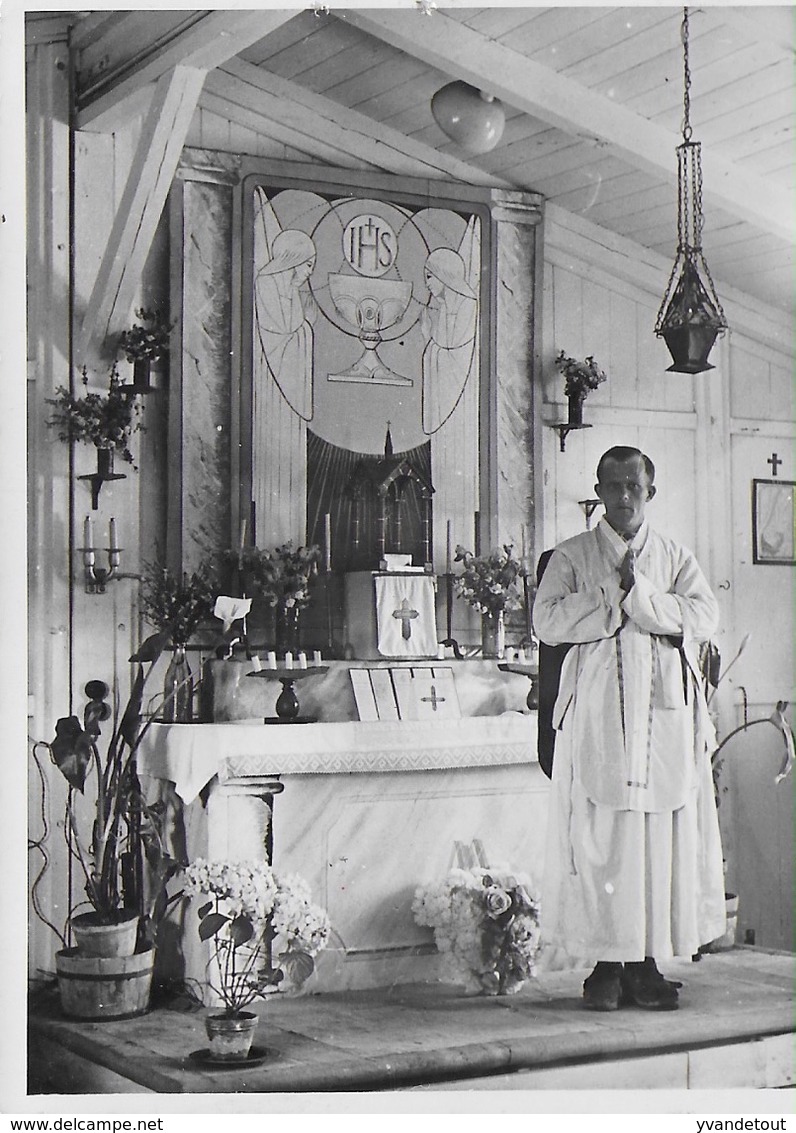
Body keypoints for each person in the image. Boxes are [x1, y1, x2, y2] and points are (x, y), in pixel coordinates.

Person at [533, 445, 726, 1011]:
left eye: (633, 487)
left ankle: (646, 963)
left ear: (651, 491)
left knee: (654, 837)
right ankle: (604, 965)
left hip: (662, 719)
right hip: (597, 719)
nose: (622, 497)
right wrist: (608, 599)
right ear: (597, 491)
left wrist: (640, 599)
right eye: (611, 486)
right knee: (602, 835)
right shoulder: (570, 556)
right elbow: (547, 622)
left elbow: (705, 617)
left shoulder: (673, 555)